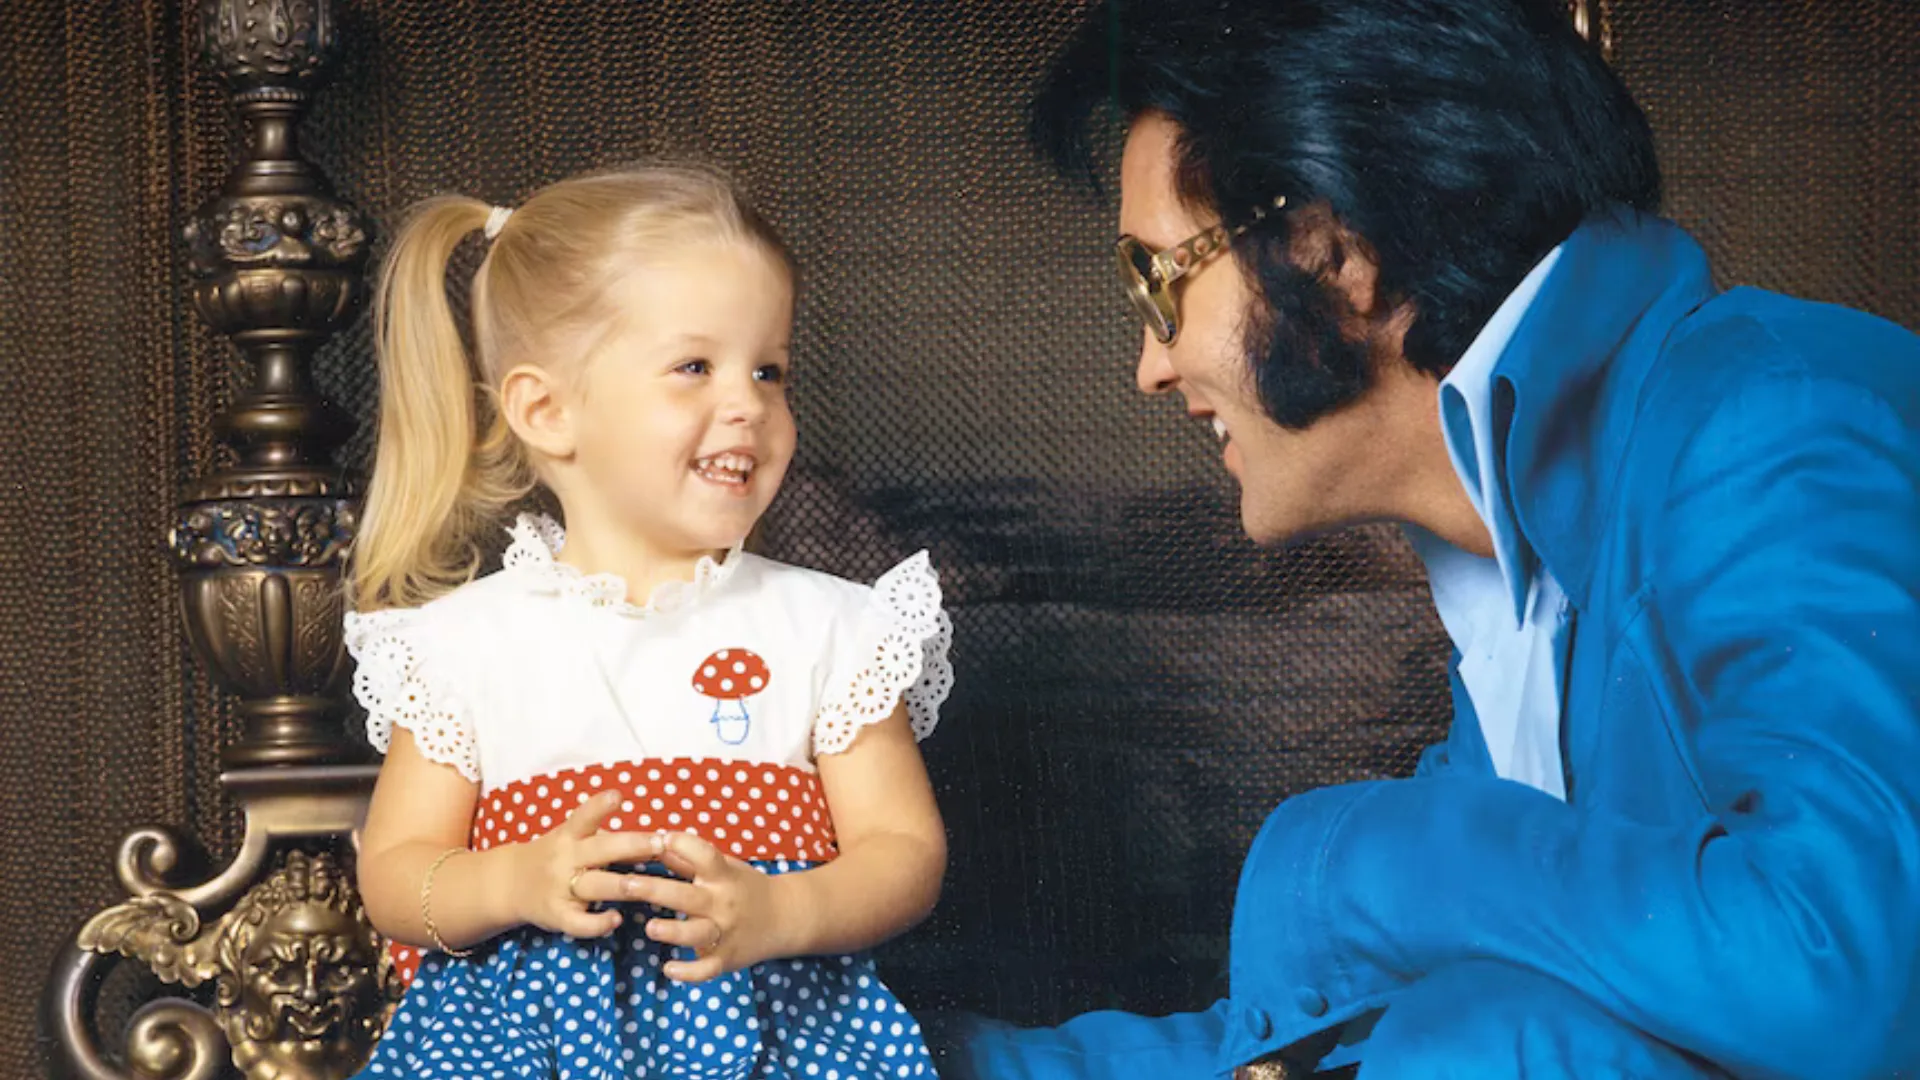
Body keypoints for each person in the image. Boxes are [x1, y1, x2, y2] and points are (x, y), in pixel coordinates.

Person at [944, 1, 1920, 1077]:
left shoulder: (1767, 420)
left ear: (1329, 249)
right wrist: (902, 1060)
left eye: (1159, 283)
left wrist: (1351, 858)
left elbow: (1851, 969)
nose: (1150, 365)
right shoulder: (1519, 573)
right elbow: (1324, 1038)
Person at [342, 163, 954, 1078]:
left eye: (771, 369)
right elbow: (395, 875)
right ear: (547, 410)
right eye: (695, 367)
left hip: (773, 1035)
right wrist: (511, 879)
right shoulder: (465, 646)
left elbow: (903, 851)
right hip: (524, 1047)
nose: (749, 402)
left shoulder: (831, 628)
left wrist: (783, 914)